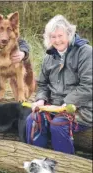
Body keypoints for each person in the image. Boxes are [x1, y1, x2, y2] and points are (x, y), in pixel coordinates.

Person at [25, 15, 92, 154]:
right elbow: (42, 84)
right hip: (53, 106)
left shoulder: (85, 52)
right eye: (53, 37)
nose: (57, 40)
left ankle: (66, 168)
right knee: (33, 119)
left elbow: (88, 85)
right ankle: (38, 162)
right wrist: (41, 99)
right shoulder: (48, 57)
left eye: (60, 35)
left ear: (69, 33)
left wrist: (67, 103)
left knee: (58, 124)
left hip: (82, 108)